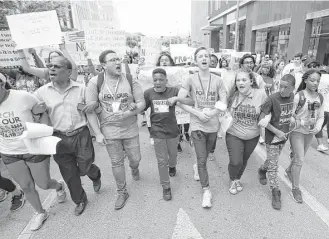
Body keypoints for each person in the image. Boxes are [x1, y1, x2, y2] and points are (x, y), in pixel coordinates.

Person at [32, 56, 101, 216]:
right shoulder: (41, 92)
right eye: (50, 66)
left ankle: (95, 174)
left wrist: (97, 133)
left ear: (69, 71)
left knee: (85, 167)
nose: (52, 69)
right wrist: (36, 112)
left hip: (81, 135)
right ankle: (80, 200)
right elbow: (31, 111)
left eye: (56, 66)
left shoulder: (82, 89)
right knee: (69, 173)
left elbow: (89, 112)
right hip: (58, 139)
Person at [0, 71, 66, 230]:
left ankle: (58, 186)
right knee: (26, 185)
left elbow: (42, 112)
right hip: (9, 152)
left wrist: (42, 132)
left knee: (43, 184)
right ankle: (40, 212)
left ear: (1, 84)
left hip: (33, 148)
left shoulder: (22, 97)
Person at [86, 50, 145, 210]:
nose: (118, 62)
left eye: (118, 59)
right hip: (109, 129)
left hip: (130, 127)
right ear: (103, 65)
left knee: (135, 158)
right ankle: (122, 191)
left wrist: (128, 112)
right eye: (113, 60)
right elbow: (89, 109)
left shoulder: (131, 79)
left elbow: (141, 103)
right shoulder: (94, 83)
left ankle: (134, 167)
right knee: (116, 161)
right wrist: (97, 133)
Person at [178, 47, 227, 208]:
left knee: (205, 155)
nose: (204, 58)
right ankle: (207, 191)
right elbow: (180, 100)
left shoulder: (218, 80)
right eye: (201, 56)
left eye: (207, 56)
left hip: (213, 125)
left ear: (211, 60)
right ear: (196, 60)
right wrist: (197, 114)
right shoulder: (190, 79)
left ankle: (197, 167)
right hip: (197, 124)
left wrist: (212, 113)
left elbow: (223, 103)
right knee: (201, 159)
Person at [144, 68, 193, 200]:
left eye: (161, 79)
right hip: (157, 132)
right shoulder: (148, 93)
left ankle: (172, 166)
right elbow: (141, 108)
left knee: (173, 155)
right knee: (161, 161)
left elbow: (191, 101)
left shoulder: (173, 91)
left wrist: (177, 98)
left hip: (172, 131)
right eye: (155, 80)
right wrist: (132, 106)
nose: (158, 82)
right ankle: (166, 187)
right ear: (152, 81)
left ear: (166, 80)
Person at [225, 68, 267, 195]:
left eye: (244, 80)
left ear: (251, 81)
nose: (240, 83)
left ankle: (238, 178)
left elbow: (268, 110)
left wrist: (267, 118)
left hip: (253, 135)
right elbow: (224, 110)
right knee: (236, 161)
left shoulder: (260, 94)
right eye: (238, 80)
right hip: (234, 133)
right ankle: (233, 179)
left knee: (244, 160)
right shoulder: (233, 95)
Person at [257, 74, 296, 210]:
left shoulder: (292, 97)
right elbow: (261, 118)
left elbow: (291, 112)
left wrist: (293, 120)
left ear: (292, 88)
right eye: (281, 86)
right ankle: (275, 191)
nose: (282, 89)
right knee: (274, 166)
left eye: (286, 87)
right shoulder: (272, 98)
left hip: (284, 136)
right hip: (272, 137)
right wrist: (276, 131)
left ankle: (262, 170)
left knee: (272, 160)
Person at [286, 70, 324, 203]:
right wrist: (303, 122)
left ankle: (289, 170)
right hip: (297, 132)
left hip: (309, 134)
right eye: (312, 80)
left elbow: (321, 116)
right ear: (306, 80)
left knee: (298, 157)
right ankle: (295, 189)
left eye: (318, 81)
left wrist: (317, 128)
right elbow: (289, 116)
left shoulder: (320, 97)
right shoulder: (298, 96)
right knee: (300, 160)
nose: (315, 83)